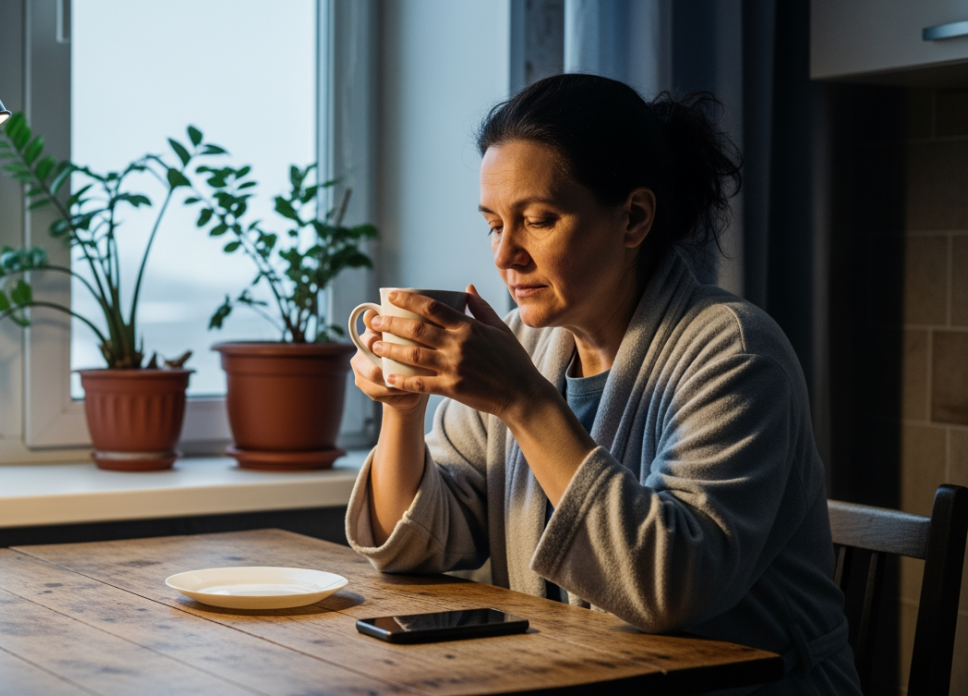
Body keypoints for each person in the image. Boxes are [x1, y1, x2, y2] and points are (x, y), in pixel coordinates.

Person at [345, 73, 861, 695]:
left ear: (633, 218)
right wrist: (402, 409)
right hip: (573, 677)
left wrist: (522, 400)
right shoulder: (523, 344)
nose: (506, 254)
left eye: (538, 220)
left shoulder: (736, 352)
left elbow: (670, 587)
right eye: (494, 224)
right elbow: (417, 543)